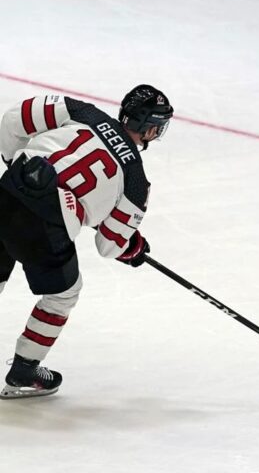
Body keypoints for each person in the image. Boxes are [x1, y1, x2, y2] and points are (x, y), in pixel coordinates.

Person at [0, 85, 173, 399]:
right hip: (46, 223)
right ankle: (25, 368)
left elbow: (14, 119)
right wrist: (132, 247)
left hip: (9, 189)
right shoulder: (135, 182)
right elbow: (109, 245)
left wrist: (15, 164)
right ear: (150, 129)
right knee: (63, 294)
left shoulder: (82, 111)